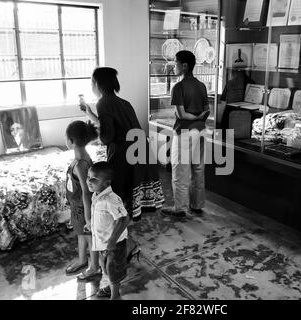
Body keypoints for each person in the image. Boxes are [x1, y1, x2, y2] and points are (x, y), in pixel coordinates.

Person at [80, 67, 164, 220]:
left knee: (120, 191)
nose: (91, 86)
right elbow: (118, 126)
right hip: (141, 147)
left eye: (92, 83)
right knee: (133, 188)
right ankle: (128, 223)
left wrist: (97, 137)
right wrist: (90, 114)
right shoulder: (123, 102)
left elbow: (107, 136)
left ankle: (120, 231)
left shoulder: (103, 103)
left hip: (126, 152)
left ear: (98, 84)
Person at [162, 50, 210, 218]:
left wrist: (193, 117)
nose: (174, 66)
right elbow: (207, 110)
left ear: (184, 65)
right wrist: (199, 118)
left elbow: (181, 114)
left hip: (184, 132)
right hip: (201, 131)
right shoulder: (201, 85)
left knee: (180, 171)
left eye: (175, 63)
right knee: (198, 168)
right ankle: (197, 205)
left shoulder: (179, 87)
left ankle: (179, 208)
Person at [64, 120, 101, 281]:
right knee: (80, 234)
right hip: (76, 206)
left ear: (71, 141)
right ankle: (82, 260)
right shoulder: (79, 159)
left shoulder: (81, 164)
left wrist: (88, 218)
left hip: (82, 208)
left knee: (88, 236)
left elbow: (87, 193)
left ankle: (94, 267)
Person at [87, 162, 130, 300]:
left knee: (113, 270)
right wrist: (91, 226)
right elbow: (102, 217)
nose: (89, 181)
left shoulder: (111, 199)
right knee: (105, 267)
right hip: (102, 242)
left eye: (94, 179)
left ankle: (115, 295)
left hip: (114, 244)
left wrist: (112, 241)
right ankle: (111, 287)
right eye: (88, 177)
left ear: (107, 183)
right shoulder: (96, 195)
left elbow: (123, 219)